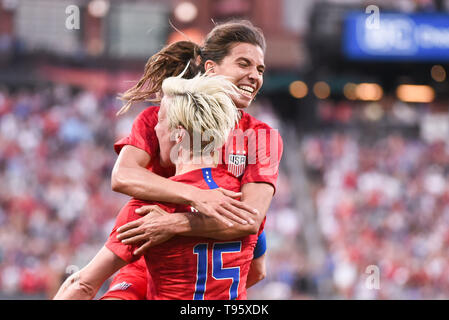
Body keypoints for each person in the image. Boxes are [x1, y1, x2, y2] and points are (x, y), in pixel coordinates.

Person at [102, 19, 282, 300]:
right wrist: (197, 197)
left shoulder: (262, 136)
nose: (254, 76)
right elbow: (122, 176)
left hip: (212, 253)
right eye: (243, 64)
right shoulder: (161, 117)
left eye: (260, 69)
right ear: (211, 68)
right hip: (146, 259)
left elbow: (250, 219)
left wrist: (175, 225)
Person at [54, 73, 264, 299]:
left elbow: (83, 285)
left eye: (161, 120)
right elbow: (258, 272)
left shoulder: (149, 208)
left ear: (180, 134)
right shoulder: (244, 199)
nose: (155, 129)